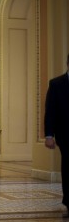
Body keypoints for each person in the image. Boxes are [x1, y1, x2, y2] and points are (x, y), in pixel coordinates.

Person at [44, 54, 69, 216]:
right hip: (66, 135)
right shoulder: (56, 84)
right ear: (68, 63)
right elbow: (50, 111)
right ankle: (68, 201)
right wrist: (48, 135)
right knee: (68, 168)